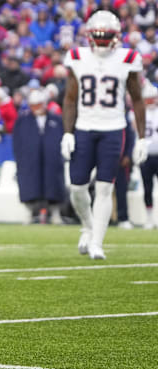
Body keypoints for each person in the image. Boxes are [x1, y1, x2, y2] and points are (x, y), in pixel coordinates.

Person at [60, 11, 147, 260]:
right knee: (77, 187)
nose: (101, 41)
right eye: (97, 36)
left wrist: (141, 137)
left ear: (116, 36)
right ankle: (87, 226)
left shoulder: (128, 58)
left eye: (105, 36)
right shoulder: (77, 56)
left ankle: (97, 242)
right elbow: (70, 98)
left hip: (113, 128)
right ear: (89, 36)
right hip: (84, 128)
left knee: (105, 188)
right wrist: (68, 133)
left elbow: (137, 99)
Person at [13, 90, 65, 224]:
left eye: (37, 104)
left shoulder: (56, 120)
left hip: (52, 159)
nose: (35, 108)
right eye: (32, 105)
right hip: (30, 160)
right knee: (30, 184)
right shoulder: (23, 120)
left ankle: (55, 213)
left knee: (54, 184)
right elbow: (17, 141)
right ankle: (30, 213)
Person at [140, 83, 158, 229]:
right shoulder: (139, 113)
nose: (151, 101)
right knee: (147, 188)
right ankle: (149, 218)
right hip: (145, 155)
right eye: (149, 99)